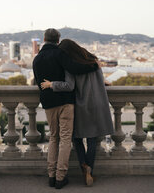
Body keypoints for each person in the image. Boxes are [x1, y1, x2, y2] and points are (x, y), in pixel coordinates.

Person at [41, 39, 114, 186]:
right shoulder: (93, 60)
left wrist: (51, 84)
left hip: (82, 104)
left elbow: (69, 85)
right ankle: (90, 171)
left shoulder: (71, 66)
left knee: (77, 138)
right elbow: (98, 79)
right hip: (98, 103)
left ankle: (84, 165)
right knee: (93, 139)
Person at [33, 30, 98, 189]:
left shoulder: (36, 59)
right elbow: (75, 69)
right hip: (65, 103)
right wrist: (94, 65)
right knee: (65, 140)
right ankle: (60, 177)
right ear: (58, 40)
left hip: (48, 103)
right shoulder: (60, 55)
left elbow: (38, 82)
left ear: (44, 39)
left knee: (53, 138)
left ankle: (51, 175)